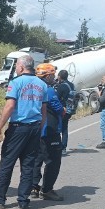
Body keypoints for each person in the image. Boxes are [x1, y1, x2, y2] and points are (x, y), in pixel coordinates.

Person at [0, 55, 48, 209]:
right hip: (34, 128)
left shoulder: (16, 82)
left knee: (7, 163)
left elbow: (10, 106)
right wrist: (40, 129)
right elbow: (44, 110)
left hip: (18, 128)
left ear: (21, 67)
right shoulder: (42, 84)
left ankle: (0, 199)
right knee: (28, 165)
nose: (15, 69)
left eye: (16, 67)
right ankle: (23, 201)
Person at [31, 63, 65, 201]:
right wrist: (64, 110)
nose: (54, 78)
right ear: (49, 75)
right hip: (49, 130)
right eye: (53, 75)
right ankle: (47, 189)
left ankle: (33, 187)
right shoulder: (48, 89)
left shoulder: (32, 87)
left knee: (36, 159)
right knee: (53, 161)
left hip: (35, 129)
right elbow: (58, 108)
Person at [55, 70, 75, 153]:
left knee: (58, 128)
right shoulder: (71, 85)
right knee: (65, 129)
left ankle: (59, 146)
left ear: (59, 76)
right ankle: (64, 147)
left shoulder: (61, 86)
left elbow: (57, 98)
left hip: (62, 110)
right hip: (70, 109)